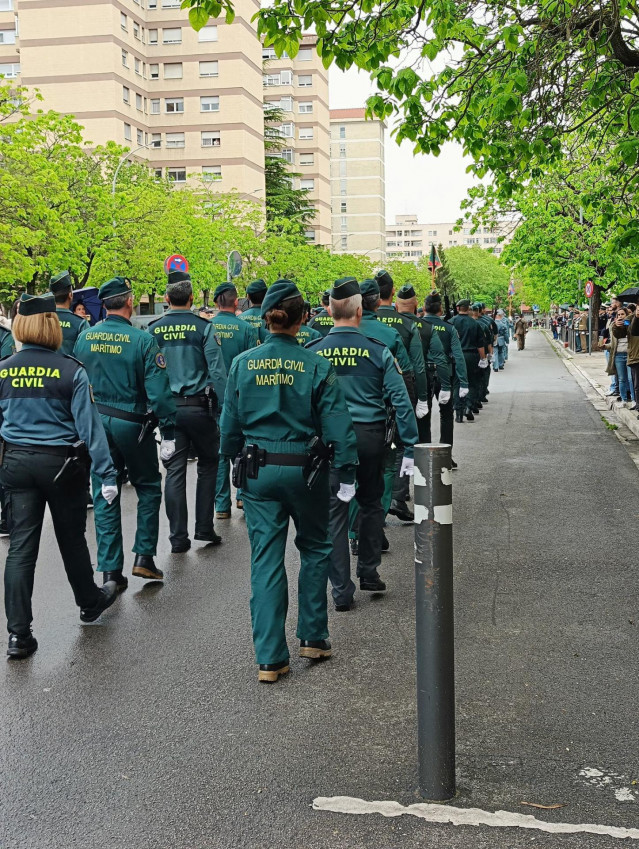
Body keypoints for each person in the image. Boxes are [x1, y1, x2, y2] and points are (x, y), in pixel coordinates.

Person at [220, 280, 358, 683]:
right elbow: (338, 427)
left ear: (265, 318)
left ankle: (270, 658)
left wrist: (232, 461)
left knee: (265, 559)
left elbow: (229, 426)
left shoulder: (243, 363)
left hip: (259, 473)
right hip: (306, 473)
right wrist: (346, 472)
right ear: (303, 318)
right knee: (315, 549)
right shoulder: (317, 364)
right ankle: (313, 637)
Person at [1, 294, 120, 659]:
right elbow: (90, 429)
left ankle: (19, 635)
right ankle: (89, 601)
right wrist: (107, 473)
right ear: (52, 325)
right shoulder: (70, 370)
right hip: (62, 465)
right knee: (71, 537)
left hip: (16, 463)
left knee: (21, 548)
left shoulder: (3, 368)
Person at [308, 277, 418, 610]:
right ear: (359, 311)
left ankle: (341, 591)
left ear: (329, 311)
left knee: (334, 515)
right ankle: (369, 571)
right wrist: (410, 446)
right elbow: (400, 401)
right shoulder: (378, 351)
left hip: (328, 444)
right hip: (370, 440)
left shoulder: (312, 353)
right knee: (371, 504)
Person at [74, 276, 176, 588]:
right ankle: (144, 556)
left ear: (104, 304)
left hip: (96, 423)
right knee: (147, 486)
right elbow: (158, 393)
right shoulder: (142, 340)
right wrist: (169, 431)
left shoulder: (84, 338)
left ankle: (109, 570)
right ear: (130, 301)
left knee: (105, 488)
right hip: (133, 424)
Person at [149, 270, 227, 553]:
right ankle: (204, 527)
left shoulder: (153, 329)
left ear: (166, 298)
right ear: (192, 298)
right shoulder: (204, 327)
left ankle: (177, 538)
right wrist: (224, 408)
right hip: (200, 409)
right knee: (209, 463)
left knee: (174, 472)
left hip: (169, 411)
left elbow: (150, 374)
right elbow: (217, 372)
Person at [374, 269, 428, 522]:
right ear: (392, 294)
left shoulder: (356, 324)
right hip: (395, 396)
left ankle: (370, 511)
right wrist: (418, 398)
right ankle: (397, 497)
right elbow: (415, 367)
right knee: (396, 448)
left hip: (363, 399)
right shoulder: (407, 325)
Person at [210, 282, 258, 518]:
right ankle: (242, 496)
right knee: (243, 446)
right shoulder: (246, 329)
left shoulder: (207, 327)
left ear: (217, 301)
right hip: (241, 396)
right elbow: (251, 367)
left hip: (214, 398)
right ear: (236, 301)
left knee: (220, 451)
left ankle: (221, 506)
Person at [409, 291, 469, 463]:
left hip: (423, 374)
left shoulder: (418, 326)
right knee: (446, 415)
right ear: (440, 309)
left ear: (424, 308)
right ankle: (445, 456)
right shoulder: (449, 328)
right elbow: (458, 355)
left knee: (423, 415)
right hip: (445, 376)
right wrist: (463, 381)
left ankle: (423, 456)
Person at [449, 300, 487, 422]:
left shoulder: (451, 322)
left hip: (455, 356)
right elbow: (480, 345)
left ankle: (458, 412)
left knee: (457, 383)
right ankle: (468, 407)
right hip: (471, 355)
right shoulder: (475, 324)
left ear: (458, 307)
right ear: (468, 308)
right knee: (472, 382)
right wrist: (483, 358)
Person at [49, 270, 90, 355]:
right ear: (70, 295)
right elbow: (86, 354)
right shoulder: (81, 323)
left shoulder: (41, 320)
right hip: (71, 368)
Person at [605, 307, 635, 405]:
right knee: (621, 379)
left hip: (630, 355)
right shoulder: (614, 326)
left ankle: (634, 399)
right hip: (618, 355)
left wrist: (626, 325)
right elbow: (613, 342)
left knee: (631, 379)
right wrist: (604, 346)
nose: (620, 316)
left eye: (622, 314)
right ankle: (624, 399)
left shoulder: (631, 325)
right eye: (618, 315)